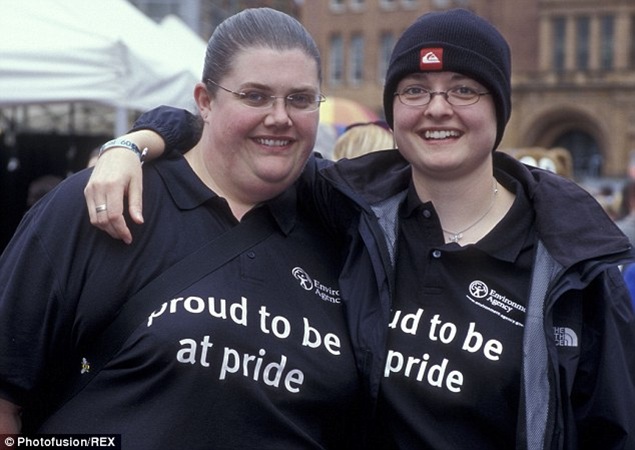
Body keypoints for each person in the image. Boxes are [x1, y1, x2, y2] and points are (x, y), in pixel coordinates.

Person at [84, 9, 635, 449]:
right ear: (392, 111)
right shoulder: (350, 207)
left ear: (500, 108)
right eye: (414, 89)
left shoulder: (573, 268)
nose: (436, 108)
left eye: (464, 89)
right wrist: (131, 144)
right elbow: (230, 128)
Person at [0, 8, 367, 449]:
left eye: (301, 99)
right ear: (205, 101)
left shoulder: (343, 228)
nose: (280, 117)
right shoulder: (104, 201)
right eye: (254, 96)